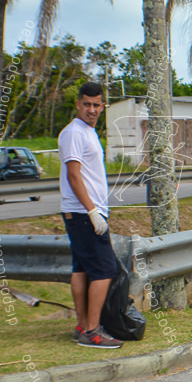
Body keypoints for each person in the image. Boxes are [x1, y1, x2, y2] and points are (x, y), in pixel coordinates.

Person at [59, 82, 122, 348]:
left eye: (97, 105)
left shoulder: (88, 132)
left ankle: (82, 326)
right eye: (87, 104)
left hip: (83, 212)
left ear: (103, 106)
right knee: (104, 269)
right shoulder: (74, 133)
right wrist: (92, 211)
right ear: (78, 104)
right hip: (83, 212)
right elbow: (73, 175)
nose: (92, 110)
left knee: (82, 268)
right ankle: (92, 331)